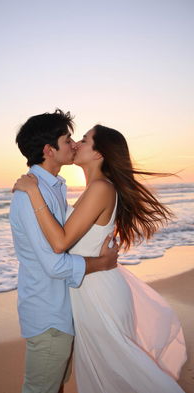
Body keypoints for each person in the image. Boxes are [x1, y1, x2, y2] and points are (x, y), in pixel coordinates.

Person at [13, 124, 187, 393]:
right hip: (92, 291)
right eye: (72, 139)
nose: (76, 144)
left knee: (125, 370)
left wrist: (34, 192)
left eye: (83, 140)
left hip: (100, 293)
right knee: (109, 375)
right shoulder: (93, 189)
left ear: (99, 154)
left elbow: (60, 242)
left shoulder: (100, 189)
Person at [9, 110, 119, 393]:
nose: (74, 144)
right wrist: (102, 263)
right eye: (68, 139)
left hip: (64, 311)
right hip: (49, 314)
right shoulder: (30, 194)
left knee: (55, 385)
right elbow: (54, 264)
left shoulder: (54, 188)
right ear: (49, 150)